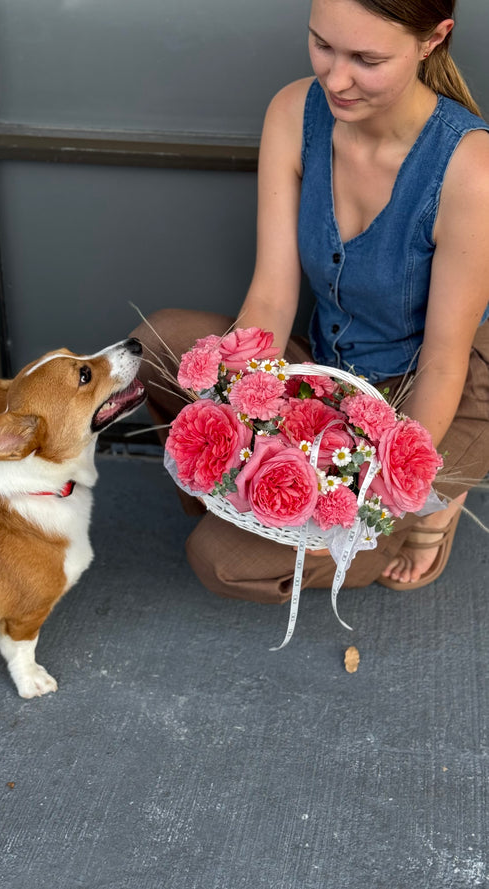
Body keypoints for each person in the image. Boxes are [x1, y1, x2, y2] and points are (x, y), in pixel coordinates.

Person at [133, 0, 489, 604]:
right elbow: (271, 294)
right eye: (322, 45)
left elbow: (442, 363)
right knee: (155, 346)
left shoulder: (471, 170)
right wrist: (241, 417)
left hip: (434, 394)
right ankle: (253, 509)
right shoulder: (294, 111)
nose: (336, 79)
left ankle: (428, 518)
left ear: (434, 40)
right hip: (332, 369)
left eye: (366, 59)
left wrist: (361, 500)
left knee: (222, 562)